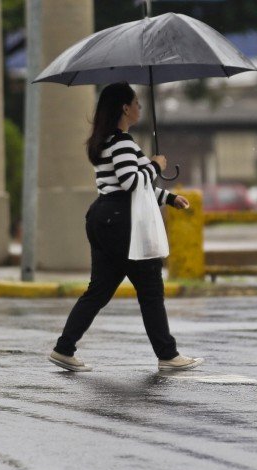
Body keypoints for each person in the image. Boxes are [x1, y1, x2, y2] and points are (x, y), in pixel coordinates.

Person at [48, 82, 203, 373]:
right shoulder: (120, 142)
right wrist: (155, 165)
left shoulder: (110, 141)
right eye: (136, 103)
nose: (140, 107)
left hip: (104, 216)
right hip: (120, 220)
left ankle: (64, 348)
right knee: (150, 287)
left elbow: (138, 189)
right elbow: (132, 182)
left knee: (99, 290)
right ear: (125, 108)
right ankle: (168, 355)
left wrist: (169, 198)